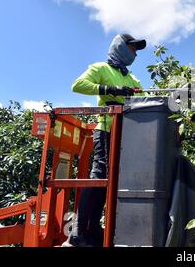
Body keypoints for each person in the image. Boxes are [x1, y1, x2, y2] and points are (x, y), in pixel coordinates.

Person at [62, 34, 146, 247]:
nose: (135, 54)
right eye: (132, 48)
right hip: (107, 130)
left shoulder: (132, 78)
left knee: (110, 184)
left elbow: (145, 99)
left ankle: (92, 230)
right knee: (99, 177)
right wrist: (109, 89)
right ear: (120, 47)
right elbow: (77, 85)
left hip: (126, 134)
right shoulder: (100, 68)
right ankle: (78, 232)